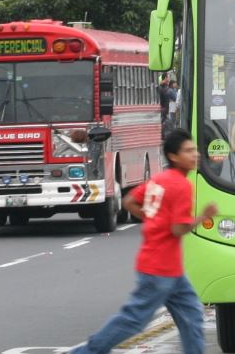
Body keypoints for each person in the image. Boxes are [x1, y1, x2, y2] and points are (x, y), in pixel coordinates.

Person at [70, 129, 217, 354]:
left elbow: (129, 201)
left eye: (195, 149)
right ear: (173, 156)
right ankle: (86, 352)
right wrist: (204, 217)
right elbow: (179, 229)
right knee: (133, 320)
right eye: (188, 151)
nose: (195, 154)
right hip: (160, 270)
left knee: (191, 315)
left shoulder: (160, 179)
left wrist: (153, 218)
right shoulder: (181, 185)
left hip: (169, 269)